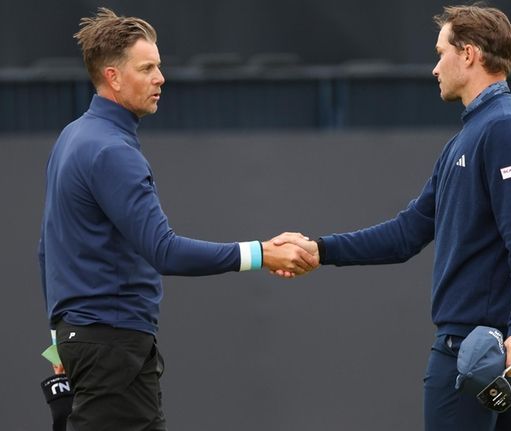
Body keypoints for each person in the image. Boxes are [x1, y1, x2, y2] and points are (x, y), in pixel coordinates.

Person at [37, 8, 317, 430]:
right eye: (146, 68)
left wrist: (58, 347)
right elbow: (164, 251)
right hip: (113, 351)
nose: (160, 78)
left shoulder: (72, 137)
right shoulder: (112, 151)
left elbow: (46, 251)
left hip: (85, 344)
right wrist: (262, 254)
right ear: (113, 77)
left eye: (159, 67)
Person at [275, 4, 511, 430]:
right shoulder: (468, 136)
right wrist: (321, 249)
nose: (435, 68)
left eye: (441, 53)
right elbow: (407, 234)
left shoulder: (507, 127)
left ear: (469, 54)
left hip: (481, 353)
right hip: (486, 351)